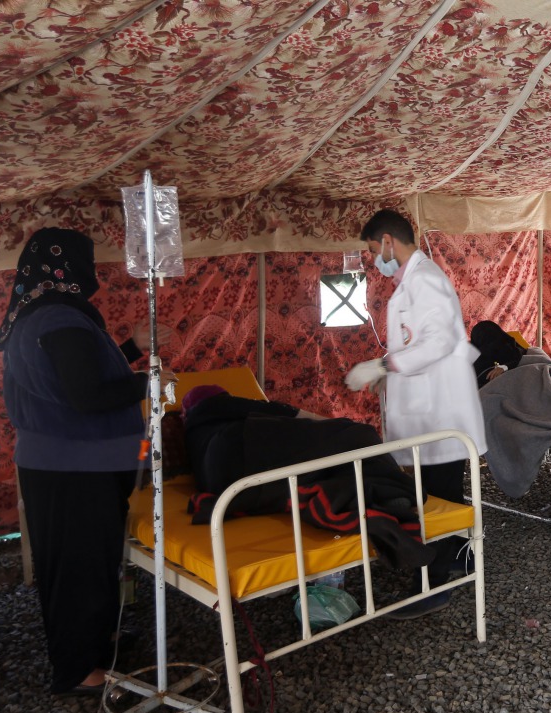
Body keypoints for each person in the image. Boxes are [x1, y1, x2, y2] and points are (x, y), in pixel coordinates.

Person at [0, 227, 168, 696]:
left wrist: (131, 349)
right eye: (86, 262)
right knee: (78, 566)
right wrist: (149, 382)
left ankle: (99, 639)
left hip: (68, 463)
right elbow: (89, 395)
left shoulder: (44, 315)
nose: (93, 273)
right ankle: (78, 669)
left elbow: (77, 375)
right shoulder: (59, 320)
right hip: (73, 468)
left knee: (89, 560)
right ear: (66, 266)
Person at [345, 209, 487, 618]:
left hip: (439, 414)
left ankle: (431, 585)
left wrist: (385, 366)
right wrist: (387, 371)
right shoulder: (412, 282)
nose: (376, 259)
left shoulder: (424, 280)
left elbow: (438, 342)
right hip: (432, 409)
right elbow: (416, 343)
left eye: (374, 249)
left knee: (435, 501)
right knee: (447, 494)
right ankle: (461, 559)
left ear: (389, 240)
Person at [180, 385, 435, 571]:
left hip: (226, 487)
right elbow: (281, 411)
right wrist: (335, 425)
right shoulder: (214, 403)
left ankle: (379, 493)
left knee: (319, 470)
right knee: (360, 436)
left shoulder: (191, 431)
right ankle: (393, 492)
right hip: (238, 445)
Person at [470, 321, 529, 387]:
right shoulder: (472, 360)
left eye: (493, 337)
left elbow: (521, 352)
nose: (491, 345)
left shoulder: (505, 344)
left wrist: (505, 367)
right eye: (488, 340)